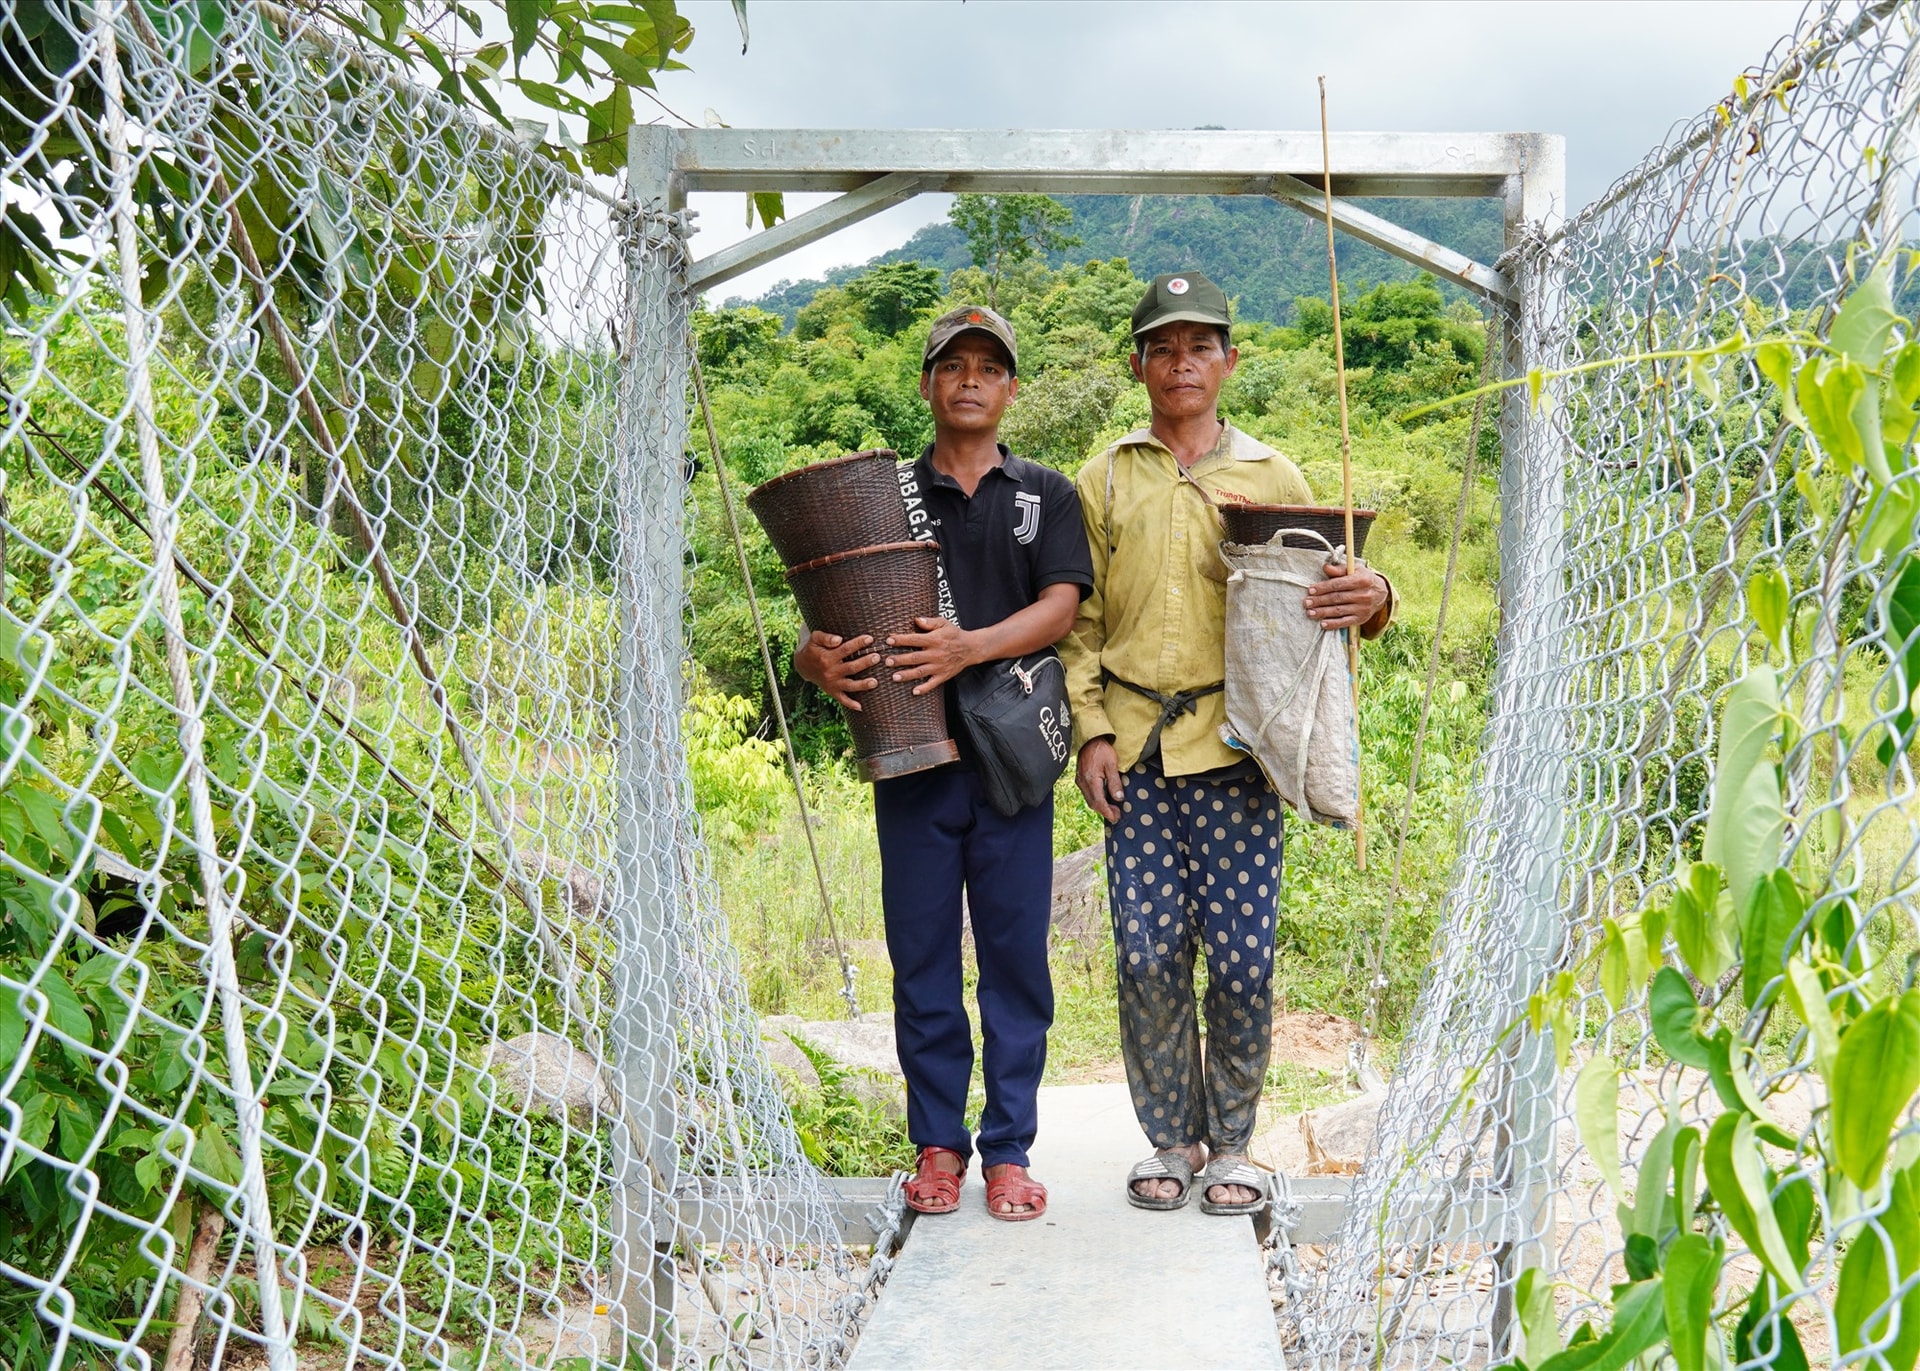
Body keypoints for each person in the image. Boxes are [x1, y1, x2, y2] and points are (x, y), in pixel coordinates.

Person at [1060, 271, 1395, 1215]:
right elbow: (1076, 619)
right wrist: (1090, 731)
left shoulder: (1273, 476)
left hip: (1242, 745)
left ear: (1229, 361)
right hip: (1133, 747)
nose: (1181, 364)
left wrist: (1372, 598)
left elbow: (1329, 595)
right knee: (1148, 952)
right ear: (1137, 365)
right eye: (1162, 347)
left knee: (1243, 957)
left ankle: (1236, 1145)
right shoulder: (1106, 475)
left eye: (1199, 345)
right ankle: (1170, 1135)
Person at [794, 305, 1094, 1221]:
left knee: (1015, 958)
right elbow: (826, 599)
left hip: (1010, 768)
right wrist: (814, 656)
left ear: (1011, 388)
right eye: (951, 365)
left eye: (988, 367)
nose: (969, 379)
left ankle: (1007, 1148)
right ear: (926, 384)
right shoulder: (878, 493)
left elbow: (1063, 604)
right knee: (920, 953)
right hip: (912, 762)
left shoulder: (1045, 493)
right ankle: (937, 1142)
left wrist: (970, 648)